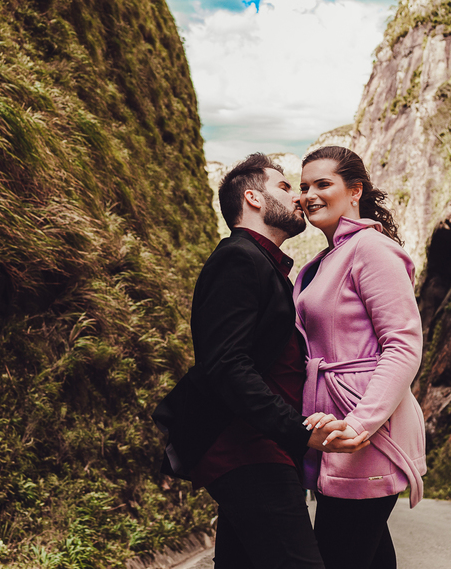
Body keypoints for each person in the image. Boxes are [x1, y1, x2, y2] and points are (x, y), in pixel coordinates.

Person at [154, 153, 368, 569]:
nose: (300, 198)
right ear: (252, 198)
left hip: (261, 445)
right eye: (286, 187)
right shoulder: (240, 258)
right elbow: (226, 365)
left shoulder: (265, 265)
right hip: (247, 447)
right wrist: (298, 431)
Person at [294, 146, 426, 569]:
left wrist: (360, 423)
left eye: (322, 184)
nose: (308, 194)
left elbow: (403, 344)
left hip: (366, 431)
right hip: (336, 431)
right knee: (366, 557)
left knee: (337, 555)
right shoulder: (324, 260)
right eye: (302, 187)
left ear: (355, 191)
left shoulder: (371, 249)